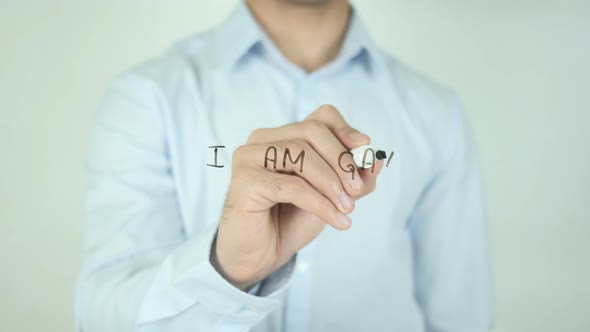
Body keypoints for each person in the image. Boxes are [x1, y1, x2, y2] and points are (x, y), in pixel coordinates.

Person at [75, 0, 494, 331]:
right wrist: (228, 270)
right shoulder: (148, 98)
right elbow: (101, 318)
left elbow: (461, 319)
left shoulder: (438, 114)